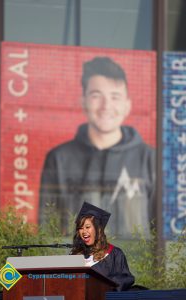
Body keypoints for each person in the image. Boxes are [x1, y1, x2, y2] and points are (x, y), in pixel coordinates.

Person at [39, 56, 155, 238]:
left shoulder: (149, 159)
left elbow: (160, 233)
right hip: (76, 265)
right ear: (83, 101)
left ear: (127, 105)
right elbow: (46, 229)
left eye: (115, 97)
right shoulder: (59, 159)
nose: (106, 106)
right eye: (96, 96)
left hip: (135, 265)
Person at [71, 202, 135, 291]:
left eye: (87, 227)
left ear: (98, 229)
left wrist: (104, 287)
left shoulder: (114, 254)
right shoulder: (75, 256)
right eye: (80, 228)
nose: (84, 231)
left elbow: (125, 279)